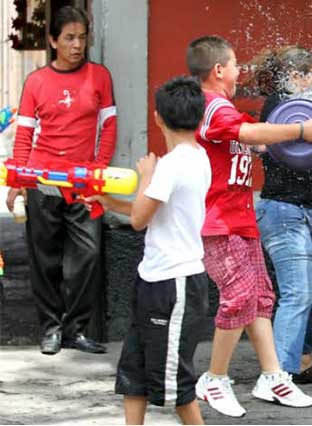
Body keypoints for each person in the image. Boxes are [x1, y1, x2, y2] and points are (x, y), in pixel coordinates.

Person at [185, 36, 312, 418]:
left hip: (242, 219)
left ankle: (272, 375)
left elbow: (253, 139)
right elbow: (249, 134)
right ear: (218, 70)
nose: (240, 71)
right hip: (218, 222)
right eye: (234, 65)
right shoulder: (211, 106)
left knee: (261, 298)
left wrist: (283, 140)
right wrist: (299, 132)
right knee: (239, 295)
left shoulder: (225, 110)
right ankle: (213, 378)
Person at [94, 76, 210, 425]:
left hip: (173, 284)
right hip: (156, 280)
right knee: (135, 370)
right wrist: (108, 201)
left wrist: (146, 173)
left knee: (176, 384)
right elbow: (152, 211)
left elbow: (141, 220)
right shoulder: (197, 156)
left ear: (158, 117)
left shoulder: (169, 166)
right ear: (200, 118)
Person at [8, 6, 116, 355]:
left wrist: (98, 172)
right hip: (41, 179)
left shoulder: (99, 76)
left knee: (87, 253)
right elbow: (24, 136)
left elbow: (109, 127)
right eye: (69, 38)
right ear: (53, 40)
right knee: (45, 258)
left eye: (82, 38)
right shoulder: (36, 81)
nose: (77, 45)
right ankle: (51, 329)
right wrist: (17, 181)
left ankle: (76, 329)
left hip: (84, 183)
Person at [253, 46, 312, 384]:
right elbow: (272, 140)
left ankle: (300, 360)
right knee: (298, 293)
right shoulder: (280, 105)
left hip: (311, 212)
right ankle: (279, 377)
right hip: (284, 211)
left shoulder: (309, 108)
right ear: (296, 76)